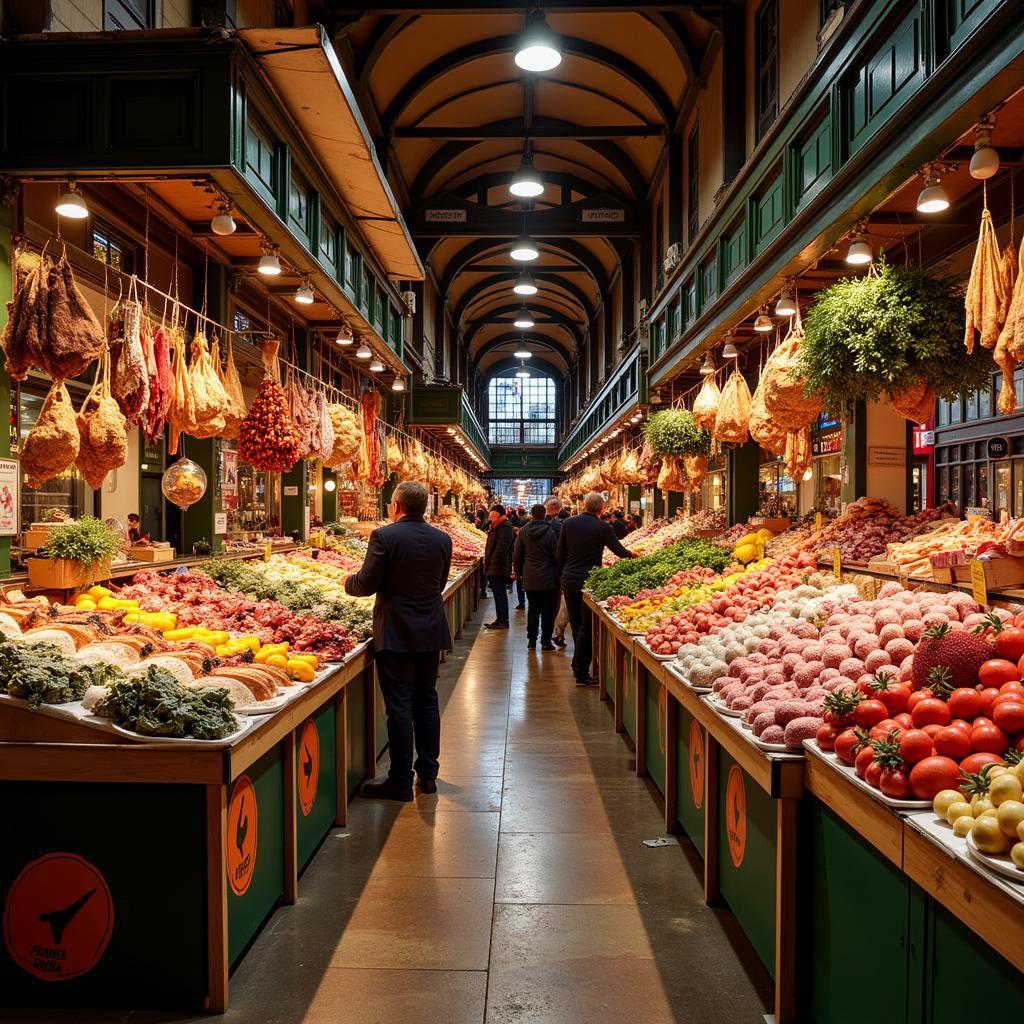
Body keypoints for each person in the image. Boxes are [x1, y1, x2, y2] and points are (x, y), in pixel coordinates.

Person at [344, 481, 452, 801]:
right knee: (427, 701)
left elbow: (365, 585)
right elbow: (439, 582)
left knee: (400, 707)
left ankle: (401, 781)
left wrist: (347, 581)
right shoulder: (442, 539)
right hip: (431, 630)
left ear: (396, 506)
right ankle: (429, 774)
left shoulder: (384, 536)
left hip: (396, 633)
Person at [557, 491, 635, 685]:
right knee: (587, 625)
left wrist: (561, 576)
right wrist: (634, 556)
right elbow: (619, 551)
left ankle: (579, 666)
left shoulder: (568, 523)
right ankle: (581, 670)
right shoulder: (603, 526)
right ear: (602, 509)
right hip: (589, 579)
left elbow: (560, 552)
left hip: (569, 578)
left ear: (584, 505)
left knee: (576, 623)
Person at [513, 504, 559, 651]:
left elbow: (518, 554)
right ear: (544, 513)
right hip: (547, 577)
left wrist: (519, 573)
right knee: (547, 610)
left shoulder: (524, 531)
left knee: (533, 608)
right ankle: (546, 641)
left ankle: (531, 640)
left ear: (531, 514)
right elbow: (555, 555)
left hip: (530, 576)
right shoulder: (550, 532)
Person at [483, 503, 515, 629]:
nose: (489, 516)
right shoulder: (498, 525)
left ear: (497, 514)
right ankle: (501, 618)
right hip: (496, 566)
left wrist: (492, 565)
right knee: (498, 593)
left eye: (491, 513)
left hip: (498, 567)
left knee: (500, 593)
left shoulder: (504, 526)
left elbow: (501, 549)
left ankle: (503, 619)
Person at [544, 497, 569, 648]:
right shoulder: (561, 525)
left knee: (557, 604)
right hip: (561, 569)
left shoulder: (544, 526)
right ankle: (555, 634)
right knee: (562, 603)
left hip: (548, 570)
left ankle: (548, 636)